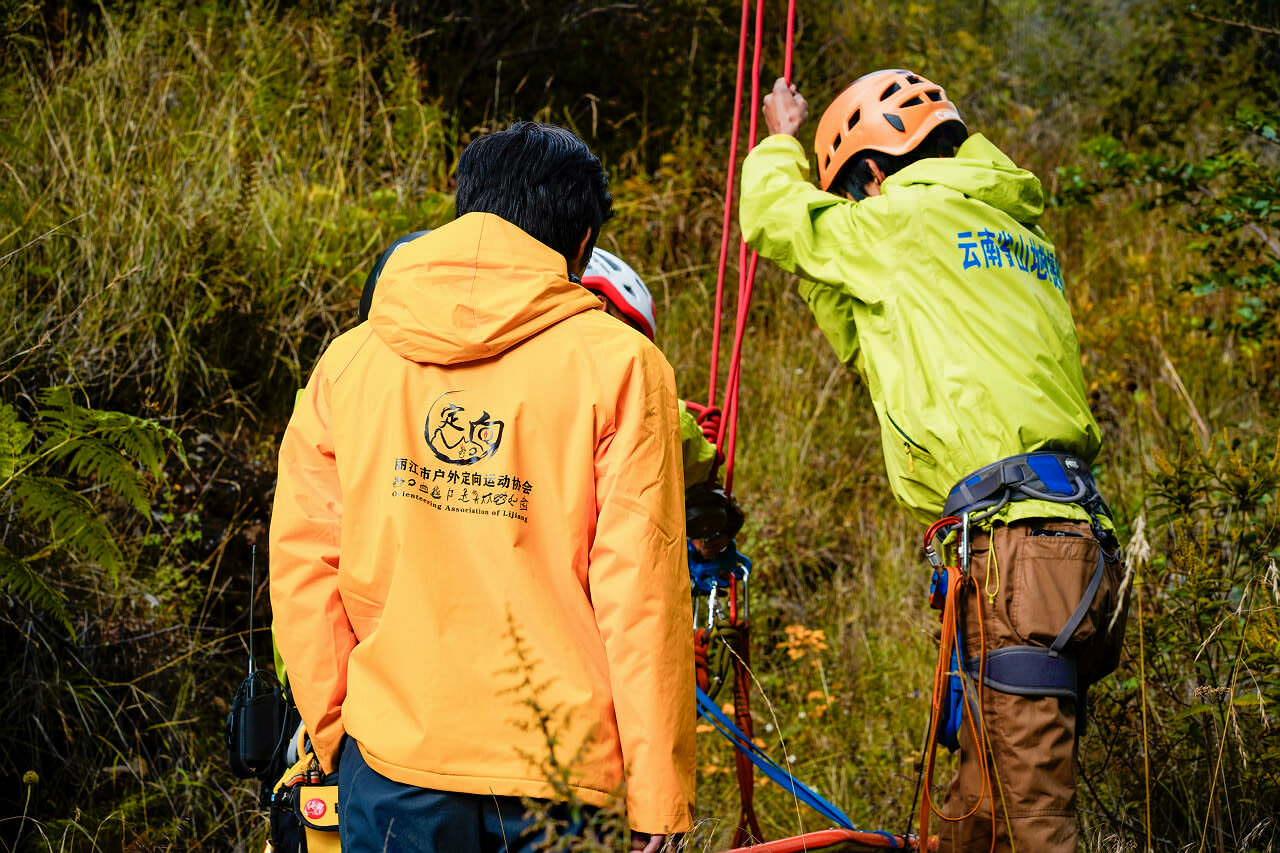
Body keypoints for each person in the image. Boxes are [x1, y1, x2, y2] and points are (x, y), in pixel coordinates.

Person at [269, 121, 695, 853]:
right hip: (561, 773)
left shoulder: (351, 360)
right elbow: (641, 591)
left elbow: (305, 563)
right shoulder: (623, 366)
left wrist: (338, 732)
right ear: (584, 240)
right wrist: (657, 792)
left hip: (393, 758)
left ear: (464, 205)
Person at [738, 71, 1129, 852]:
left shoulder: (903, 220)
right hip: (1068, 552)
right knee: (974, 816)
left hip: (1017, 557)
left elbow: (770, 216)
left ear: (873, 174)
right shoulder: (1008, 232)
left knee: (1033, 827)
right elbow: (876, 341)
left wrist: (781, 136)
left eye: (853, 197)